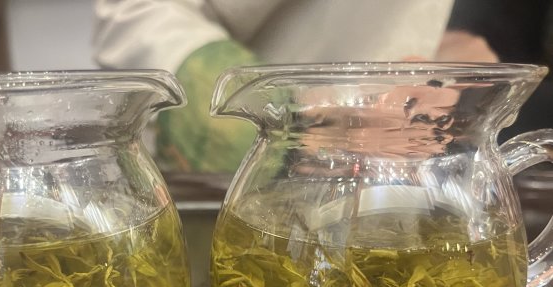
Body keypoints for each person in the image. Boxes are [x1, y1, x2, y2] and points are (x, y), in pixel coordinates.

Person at [93, 0, 498, 173]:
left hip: (422, 175)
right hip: (258, 182)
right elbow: (140, 12)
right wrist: (295, 119)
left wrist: (457, 46)